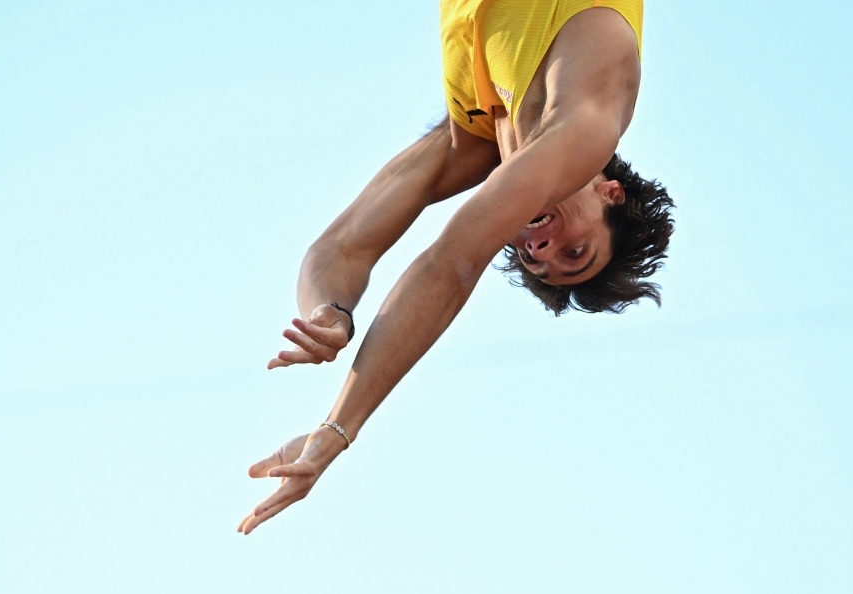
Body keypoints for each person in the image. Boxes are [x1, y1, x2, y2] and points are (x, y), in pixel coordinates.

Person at [238, 0, 674, 534]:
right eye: (575, 251)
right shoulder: (587, 124)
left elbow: (342, 246)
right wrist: (338, 429)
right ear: (611, 193)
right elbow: (451, 265)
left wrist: (329, 313)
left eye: (535, 261)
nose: (542, 249)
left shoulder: (475, 136)